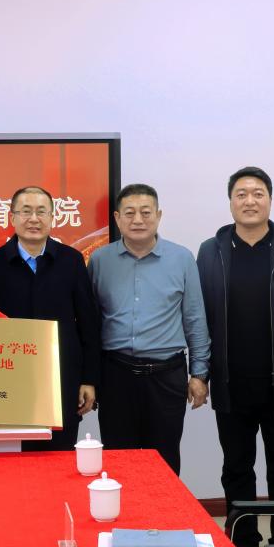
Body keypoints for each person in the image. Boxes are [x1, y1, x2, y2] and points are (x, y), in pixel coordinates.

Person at [197, 167, 274, 547]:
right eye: (241, 194)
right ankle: (243, 545)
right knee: (236, 467)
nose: (250, 201)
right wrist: (200, 372)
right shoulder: (211, 250)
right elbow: (200, 318)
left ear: (270, 199)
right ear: (230, 201)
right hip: (231, 382)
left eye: (258, 193)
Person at [88, 183, 210, 474]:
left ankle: (164, 508)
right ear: (117, 218)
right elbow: (90, 323)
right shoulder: (100, 260)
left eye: (146, 212)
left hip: (166, 376)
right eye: (129, 213)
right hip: (115, 376)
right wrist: (89, 377)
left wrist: (199, 374)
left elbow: (195, 319)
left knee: (164, 462)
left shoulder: (182, 259)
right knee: (118, 462)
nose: (138, 220)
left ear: (159, 215)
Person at [0, 186, 101, 450]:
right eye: (26, 211)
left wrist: (88, 379)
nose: (34, 219)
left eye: (41, 212)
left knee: (60, 456)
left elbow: (88, 324)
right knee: (13, 459)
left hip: (62, 379)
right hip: (9, 382)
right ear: (12, 217)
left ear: (52, 217)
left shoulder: (71, 261)